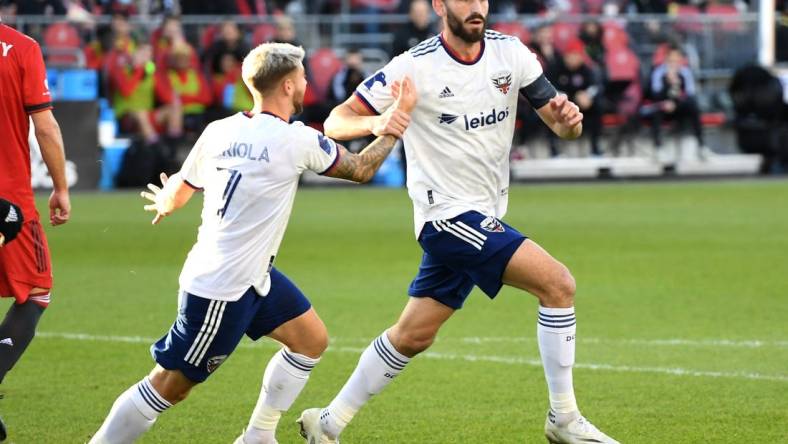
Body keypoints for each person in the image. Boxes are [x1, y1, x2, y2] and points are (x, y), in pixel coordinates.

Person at [298, 1, 618, 443]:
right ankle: (563, 419)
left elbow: (561, 126)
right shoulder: (414, 66)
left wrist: (569, 125)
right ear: (439, 5)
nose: (476, 7)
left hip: (482, 214)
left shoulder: (513, 55)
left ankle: (327, 423)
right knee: (558, 284)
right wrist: (383, 120)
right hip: (445, 216)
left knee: (413, 335)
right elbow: (336, 121)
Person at [88, 42, 416, 444]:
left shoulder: (219, 130)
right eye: (302, 76)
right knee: (169, 385)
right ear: (290, 87)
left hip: (252, 274)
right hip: (222, 289)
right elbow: (362, 168)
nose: (307, 81)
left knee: (310, 340)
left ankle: (258, 435)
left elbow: (177, 193)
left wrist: (166, 201)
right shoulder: (295, 139)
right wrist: (396, 125)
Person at [0, 20, 71, 441]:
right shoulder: (20, 47)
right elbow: (44, 126)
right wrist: (60, 187)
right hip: (8, 203)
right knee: (36, 292)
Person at [648, 45, 709, 158]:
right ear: (666, 59)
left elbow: (690, 94)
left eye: (677, 59)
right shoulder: (658, 72)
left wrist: (676, 100)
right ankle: (658, 148)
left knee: (693, 107)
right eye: (671, 60)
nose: (674, 63)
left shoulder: (685, 72)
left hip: (680, 106)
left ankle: (701, 146)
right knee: (656, 113)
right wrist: (668, 83)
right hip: (664, 106)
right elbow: (655, 94)